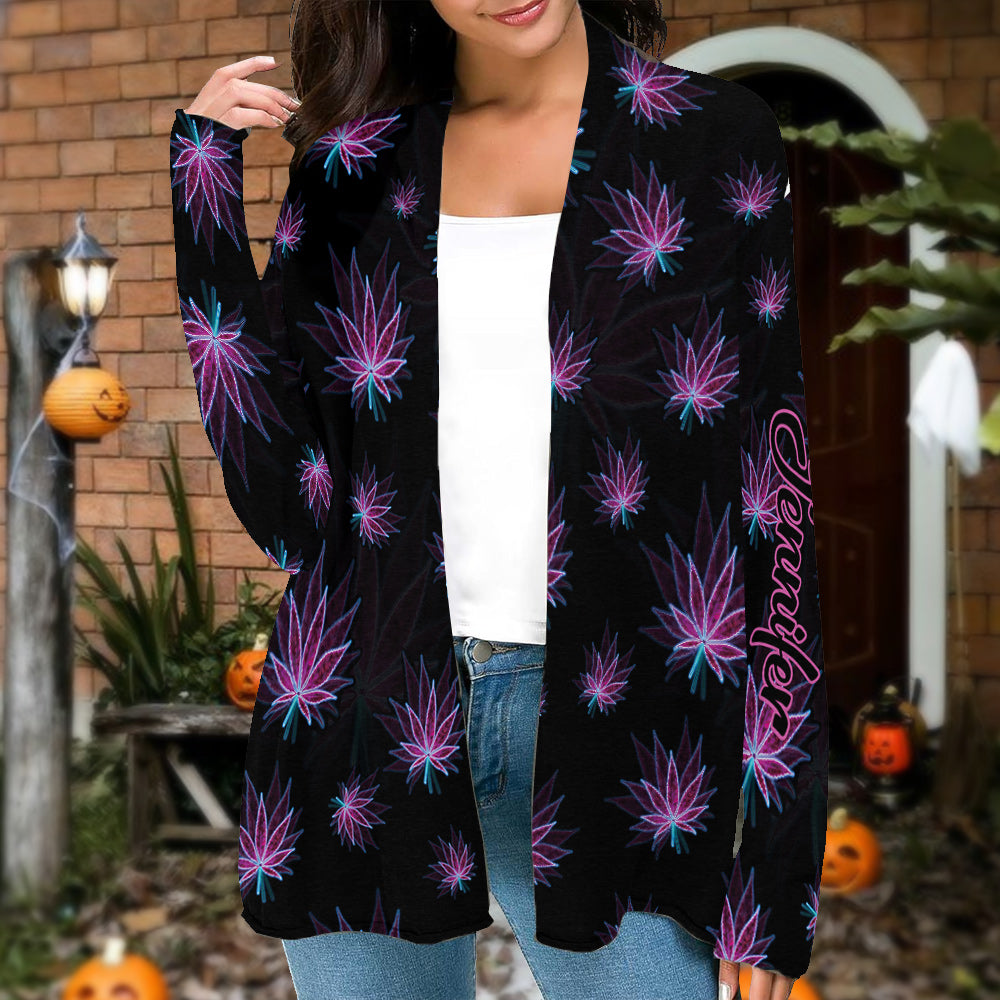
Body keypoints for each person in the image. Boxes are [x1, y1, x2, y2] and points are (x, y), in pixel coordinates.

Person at [169, 1, 829, 998]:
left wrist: (776, 867)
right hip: (368, 713)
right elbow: (287, 510)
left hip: (627, 736)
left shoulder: (711, 139)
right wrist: (205, 196)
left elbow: (774, 497)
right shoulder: (354, 169)